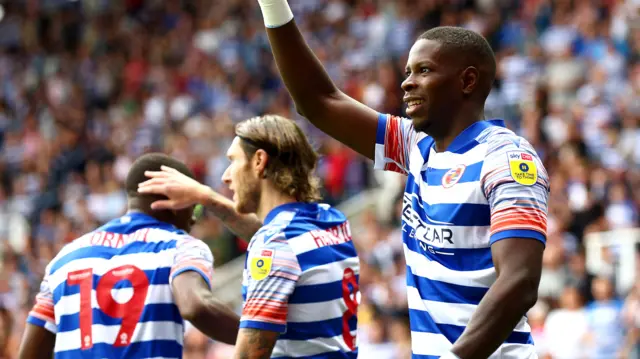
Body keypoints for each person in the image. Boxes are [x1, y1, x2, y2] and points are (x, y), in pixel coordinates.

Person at [253, 1, 550, 358]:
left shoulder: (507, 159)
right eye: (408, 71)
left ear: (467, 81)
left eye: (423, 70)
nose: (407, 82)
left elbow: (519, 282)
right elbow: (318, 101)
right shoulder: (416, 146)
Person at [138, 115, 360, 359]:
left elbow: (249, 356)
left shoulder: (275, 243)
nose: (225, 176)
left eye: (233, 161)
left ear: (259, 161)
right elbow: (282, 246)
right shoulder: (331, 222)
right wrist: (205, 196)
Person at [17, 153, 240, 359]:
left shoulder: (65, 258)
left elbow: (30, 352)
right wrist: (263, 336)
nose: (193, 220)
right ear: (174, 202)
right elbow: (196, 306)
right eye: (195, 208)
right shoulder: (180, 248)